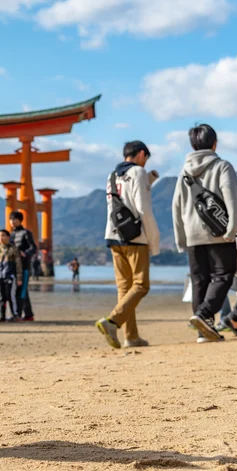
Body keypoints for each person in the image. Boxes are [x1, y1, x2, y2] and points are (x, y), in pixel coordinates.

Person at [172, 124, 237, 343]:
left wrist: (180, 239)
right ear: (214, 143)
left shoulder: (184, 173)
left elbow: (176, 206)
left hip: (192, 235)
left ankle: (204, 332)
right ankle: (203, 315)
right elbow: (230, 197)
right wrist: (232, 228)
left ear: (193, 144)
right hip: (219, 233)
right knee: (224, 275)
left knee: (199, 280)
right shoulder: (222, 166)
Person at [96, 141, 160, 349]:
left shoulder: (112, 175)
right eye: (146, 158)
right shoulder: (138, 172)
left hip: (113, 235)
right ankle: (112, 321)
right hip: (135, 237)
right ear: (141, 154)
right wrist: (154, 241)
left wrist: (149, 180)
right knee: (141, 285)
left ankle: (131, 336)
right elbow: (142, 208)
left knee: (125, 288)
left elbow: (124, 197)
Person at [9, 211, 37, 321]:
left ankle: (19, 315)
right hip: (14, 266)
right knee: (19, 290)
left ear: (20, 220)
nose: (12, 222)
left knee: (21, 290)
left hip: (24, 266)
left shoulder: (26, 233)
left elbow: (33, 247)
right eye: (10, 219)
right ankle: (28, 314)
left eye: (14, 219)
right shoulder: (11, 235)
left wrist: (25, 253)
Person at [0, 229, 22, 322]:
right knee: (1, 297)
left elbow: (18, 264)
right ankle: (2, 315)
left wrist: (19, 278)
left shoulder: (13, 249)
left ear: (8, 237)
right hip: (0, 277)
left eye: (3, 235)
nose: (1, 238)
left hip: (11, 276)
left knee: (11, 296)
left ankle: (15, 314)